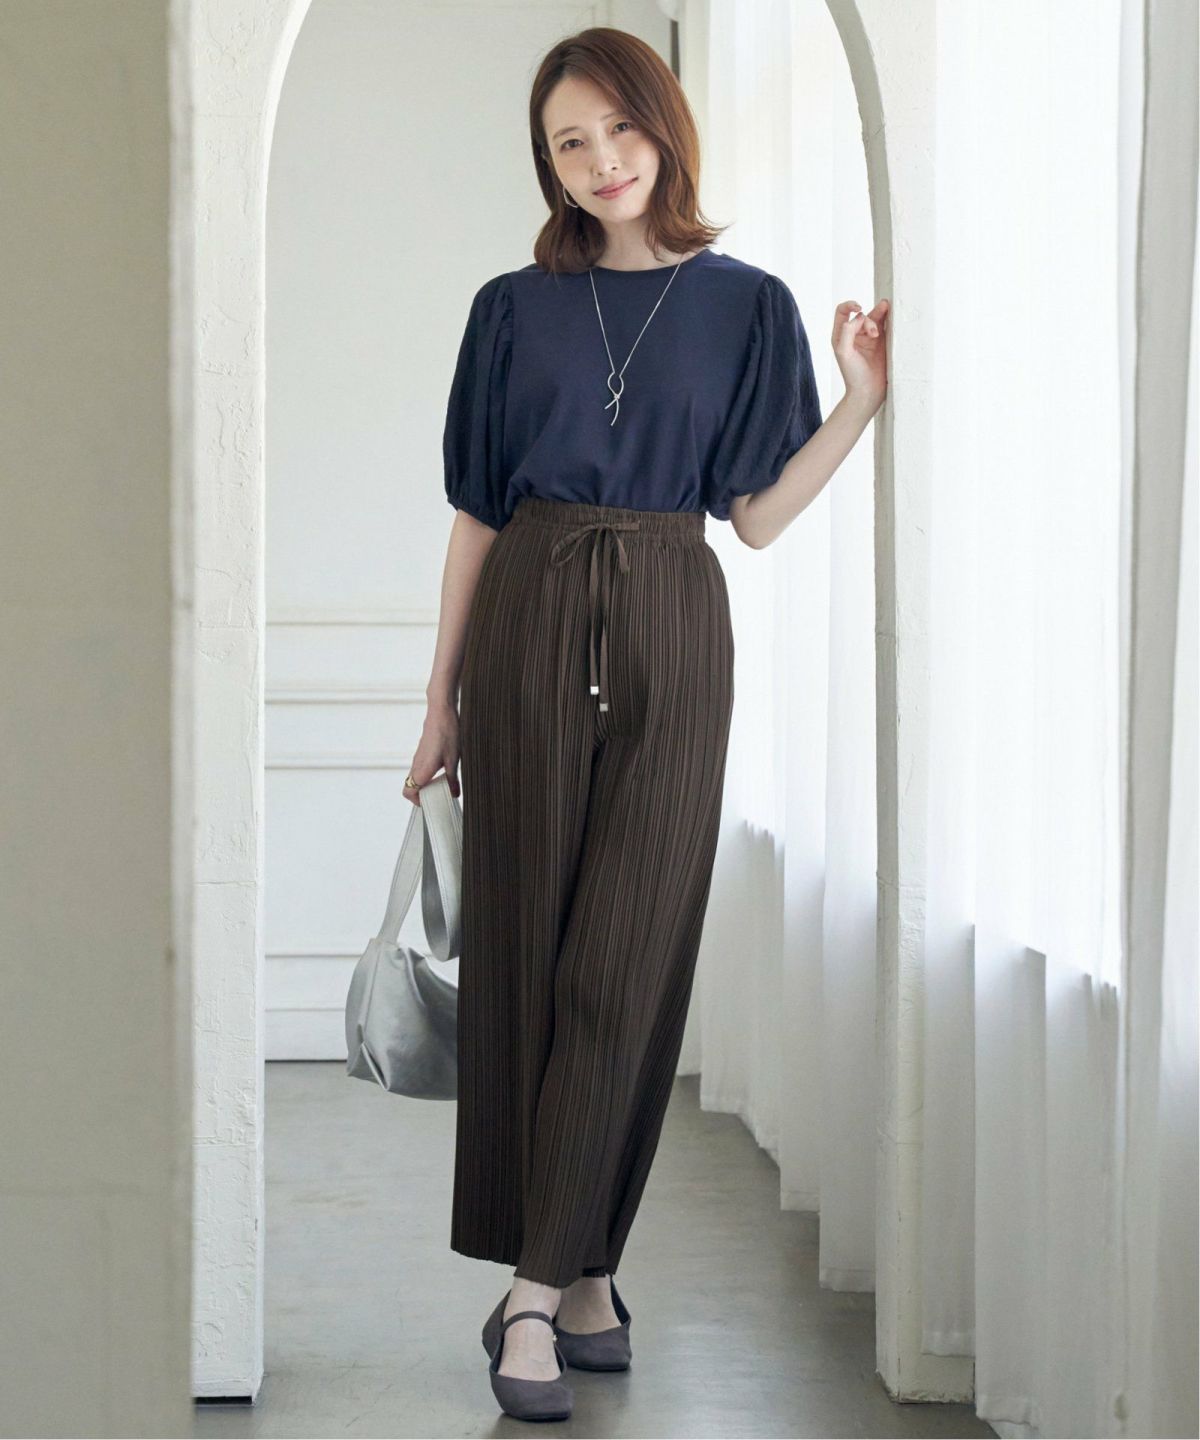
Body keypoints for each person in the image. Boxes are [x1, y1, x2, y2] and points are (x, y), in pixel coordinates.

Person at [404, 25, 888, 1423]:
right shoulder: (513, 308)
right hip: (532, 607)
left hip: (674, 611)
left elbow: (757, 516)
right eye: (571, 141)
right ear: (548, 165)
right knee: (527, 957)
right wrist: (439, 697)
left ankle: (535, 1290)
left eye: (620, 127)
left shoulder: (749, 305)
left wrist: (859, 403)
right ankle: (578, 1279)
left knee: (627, 961)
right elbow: (478, 512)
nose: (602, 159)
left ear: (665, 128)